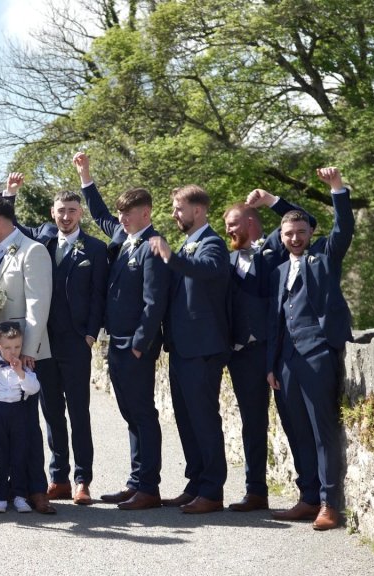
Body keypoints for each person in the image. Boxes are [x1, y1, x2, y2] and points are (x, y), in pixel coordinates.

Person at [0, 172, 107, 505]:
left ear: (80, 213)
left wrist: (90, 334)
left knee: (79, 413)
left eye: (72, 210)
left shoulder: (95, 248)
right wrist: (10, 194)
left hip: (76, 343)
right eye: (61, 210)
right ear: (52, 212)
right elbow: (11, 226)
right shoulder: (42, 240)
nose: (66, 216)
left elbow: (99, 296)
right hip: (43, 343)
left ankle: (82, 480)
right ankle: (58, 477)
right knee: (52, 413)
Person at [75, 152, 171, 511]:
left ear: (146, 213)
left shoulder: (152, 245)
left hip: (135, 347)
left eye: (128, 213)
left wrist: (139, 344)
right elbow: (100, 214)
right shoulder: (123, 235)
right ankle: (135, 482)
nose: (121, 219)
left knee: (143, 414)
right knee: (130, 414)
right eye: (120, 214)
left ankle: (149, 487)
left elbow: (154, 302)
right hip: (115, 343)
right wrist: (85, 177)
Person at [267, 167, 354, 531]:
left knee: (322, 431)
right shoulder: (277, 271)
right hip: (285, 361)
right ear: (281, 237)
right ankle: (307, 497)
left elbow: (343, 229)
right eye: (289, 234)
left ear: (310, 233)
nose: (295, 238)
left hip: (318, 354)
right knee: (296, 430)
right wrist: (271, 365)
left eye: (301, 232)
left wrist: (337, 189)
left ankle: (329, 504)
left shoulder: (324, 257)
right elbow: (275, 322)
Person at [223, 190, 315, 512]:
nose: (228, 230)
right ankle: (256, 491)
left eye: (233, 224)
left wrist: (273, 201)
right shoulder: (226, 259)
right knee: (252, 423)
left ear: (251, 222)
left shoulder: (274, 247)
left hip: (275, 350)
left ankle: (309, 494)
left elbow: (306, 221)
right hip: (242, 354)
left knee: (294, 420)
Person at [148, 184, 231, 514]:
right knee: (186, 420)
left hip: (203, 349)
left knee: (204, 419)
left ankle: (212, 490)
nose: (173, 214)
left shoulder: (212, 244)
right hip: (182, 348)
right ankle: (196, 484)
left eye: (178, 208)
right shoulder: (188, 243)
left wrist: (171, 256)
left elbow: (207, 270)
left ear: (198, 210)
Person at [0, 195, 55, 514]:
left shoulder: (32, 251)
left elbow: (38, 304)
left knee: (28, 425)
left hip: (23, 352)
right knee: (2, 427)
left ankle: (36, 490)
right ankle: (4, 489)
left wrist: (28, 352)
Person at [0, 321, 41, 514]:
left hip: (20, 413)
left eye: (17, 347)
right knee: (0, 457)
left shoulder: (25, 367)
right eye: (7, 348)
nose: (13, 352)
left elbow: (33, 388)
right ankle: (1, 497)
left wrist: (20, 372)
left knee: (20, 455)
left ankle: (20, 496)